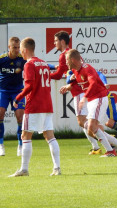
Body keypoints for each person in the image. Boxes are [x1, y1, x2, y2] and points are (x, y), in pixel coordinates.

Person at [62, 49, 117, 157]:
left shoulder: (87, 68)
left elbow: (93, 83)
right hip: (92, 101)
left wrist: (84, 98)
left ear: (72, 60)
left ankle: (110, 151)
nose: (66, 62)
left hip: (99, 98)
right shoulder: (76, 71)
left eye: (67, 60)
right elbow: (78, 81)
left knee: (91, 126)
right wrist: (69, 86)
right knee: (91, 128)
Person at [9, 37, 61, 177]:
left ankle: (24, 169)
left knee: (25, 135)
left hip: (34, 105)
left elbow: (30, 86)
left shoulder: (29, 64)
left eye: (21, 50)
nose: (20, 53)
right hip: (47, 104)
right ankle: (57, 168)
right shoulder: (43, 63)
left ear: (25, 50)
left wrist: (18, 98)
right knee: (49, 136)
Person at [0, 37, 26, 156]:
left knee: (20, 117)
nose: (17, 50)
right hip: (3, 91)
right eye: (14, 47)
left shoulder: (22, 59)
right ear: (9, 47)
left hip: (17, 91)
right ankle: (1, 145)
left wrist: (53, 67)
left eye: (18, 47)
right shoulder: (2, 59)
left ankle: (20, 145)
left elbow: (37, 64)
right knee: (0, 114)